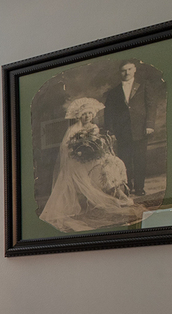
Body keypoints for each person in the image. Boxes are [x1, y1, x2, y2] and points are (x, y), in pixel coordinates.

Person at [39, 97, 141, 233]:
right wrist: (79, 151)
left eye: (89, 113)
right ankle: (119, 195)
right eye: (84, 114)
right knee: (102, 168)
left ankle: (119, 191)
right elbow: (66, 149)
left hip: (92, 156)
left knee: (114, 162)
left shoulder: (94, 127)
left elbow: (97, 146)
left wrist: (94, 152)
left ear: (93, 115)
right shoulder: (73, 129)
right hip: (77, 160)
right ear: (79, 116)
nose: (87, 116)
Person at [101, 61, 150, 196]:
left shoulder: (144, 86)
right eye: (123, 70)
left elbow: (151, 106)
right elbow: (109, 112)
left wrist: (150, 125)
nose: (127, 72)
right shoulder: (114, 92)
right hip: (122, 131)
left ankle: (140, 188)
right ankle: (127, 188)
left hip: (140, 129)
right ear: (120, 72)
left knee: (140, 159)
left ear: (134, 70)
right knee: (125, 160)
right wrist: (110, 131)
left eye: (129, 69)